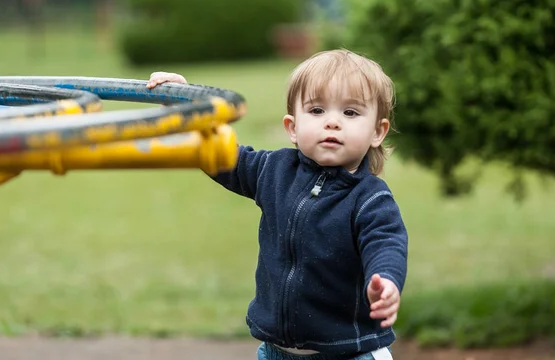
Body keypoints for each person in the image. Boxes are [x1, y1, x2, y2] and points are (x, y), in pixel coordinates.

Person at [147, 49, 408, 360]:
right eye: (317, 110)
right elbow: (220, 157)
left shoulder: (370, 199)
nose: (332, 123)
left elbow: (386, 243)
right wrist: (188, 109)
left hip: (350, 353)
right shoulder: (274, 170)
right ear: (292, 127)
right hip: (277, 351)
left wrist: (387, 281)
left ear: (377, 132)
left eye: (350, 113)